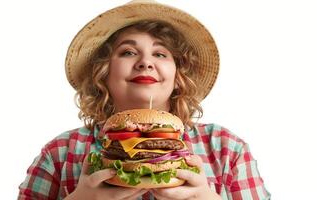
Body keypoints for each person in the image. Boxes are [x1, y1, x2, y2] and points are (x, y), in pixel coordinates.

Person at [18, 0, 270, 199]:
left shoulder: (226, 149)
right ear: (103, 72)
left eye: (160, 54)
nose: (145, 62)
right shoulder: (60, 152)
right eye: (128, 52)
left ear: (178, 75)